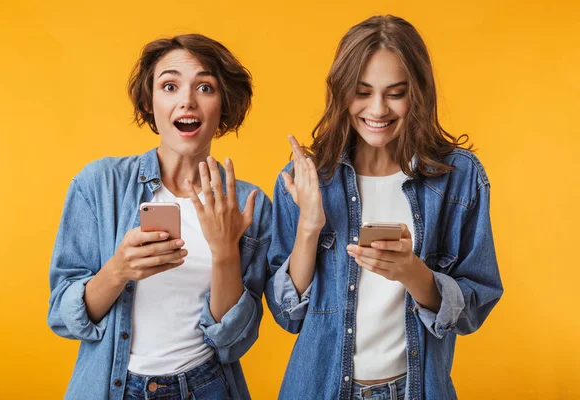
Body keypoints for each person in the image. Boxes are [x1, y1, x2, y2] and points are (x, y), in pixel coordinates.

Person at [265, 15, 503, 400]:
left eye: (395, 93)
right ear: (341, 92)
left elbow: (476, 304)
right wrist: (309, 227)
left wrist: (414, 274)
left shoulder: (458, 176)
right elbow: (286, 315)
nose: (377, 109)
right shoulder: (306, 178)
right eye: (362, 91)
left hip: (417, 389)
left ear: (418, 93)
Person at [48, 34, 271, 400]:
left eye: (205, 87)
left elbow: (234, 343)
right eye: (169, 86)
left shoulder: (248, 204)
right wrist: (119, 269)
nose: (187, 101)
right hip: (114, 389)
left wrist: (225, 251)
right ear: (150, 103)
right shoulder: (100, 184)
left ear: (223, 104)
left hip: (207, 386)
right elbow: (62, 314)